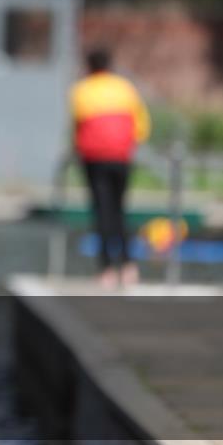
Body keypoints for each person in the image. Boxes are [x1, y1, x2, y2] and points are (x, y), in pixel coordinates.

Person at [70, 48, 151, 288]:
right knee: (119, 210)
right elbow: (142, 126)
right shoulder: (125, 87)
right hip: (121, 157)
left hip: (94, 159)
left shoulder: (81, 90)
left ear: (89, 65)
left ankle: (105, 270)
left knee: (101, 211)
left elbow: (77, 125)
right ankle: (128, 266)